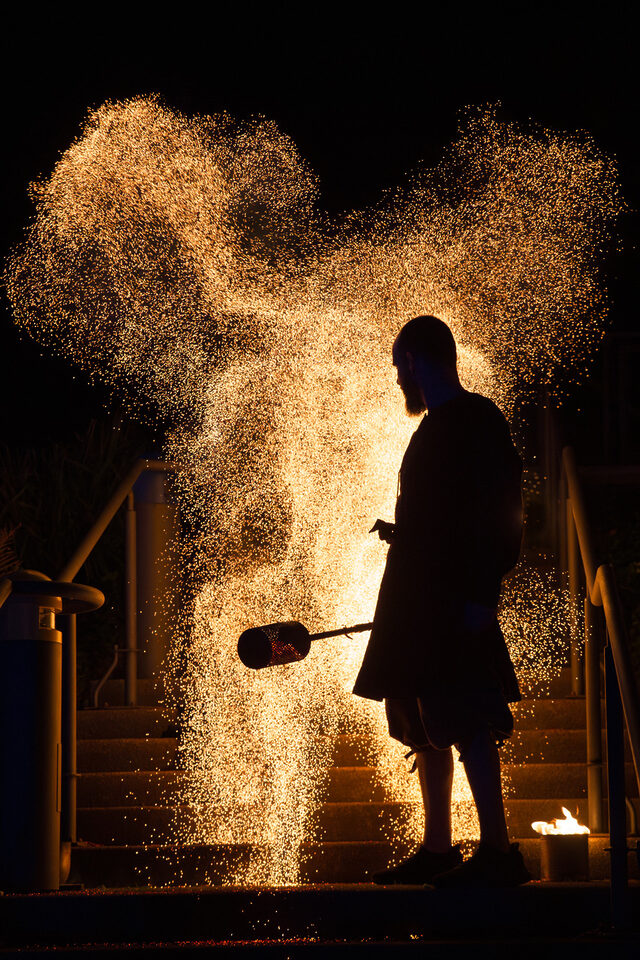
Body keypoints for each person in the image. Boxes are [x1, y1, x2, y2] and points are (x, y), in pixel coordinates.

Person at [353, 315, 530, 888]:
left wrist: (482, 597)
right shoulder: (436, 428)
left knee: (468, 714)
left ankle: (499, 852)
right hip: (419, 605)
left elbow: (500, 513)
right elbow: (445, 518)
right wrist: (403, 535)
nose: (399, 379)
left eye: (401, 366)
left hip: (455, 602)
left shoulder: (476, 421)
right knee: (421, 721)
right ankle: (438, 848)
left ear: (420, 360)